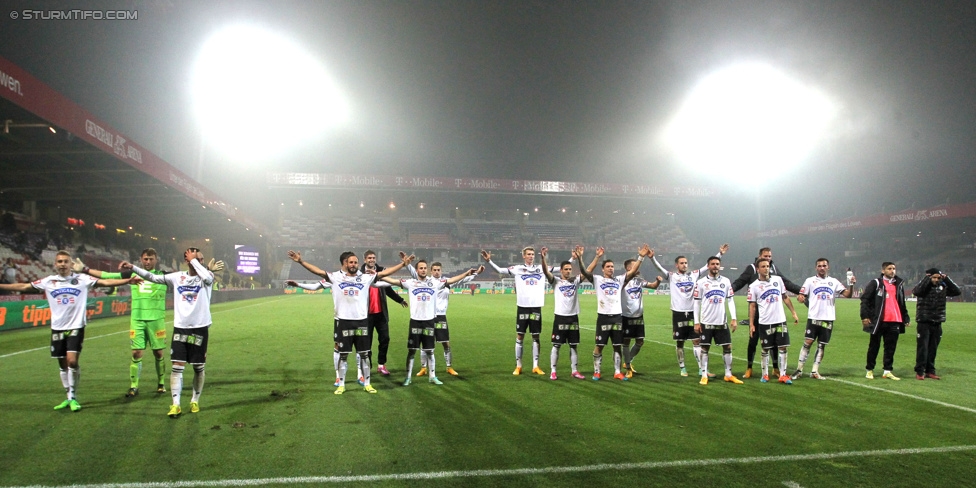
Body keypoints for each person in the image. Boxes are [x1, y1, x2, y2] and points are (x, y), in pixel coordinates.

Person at [0, 251, 138, 412]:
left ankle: (73, 397)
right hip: (57, 327)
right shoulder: (49, 281)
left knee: (72, 361)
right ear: (55, 264)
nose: (62, 264)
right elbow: (23, 286)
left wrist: (128, 280)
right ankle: (68, 397)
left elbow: (105, 282)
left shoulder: (81, 279)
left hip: (76, 326)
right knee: (62, 363)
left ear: (71, 264)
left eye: (66, 261)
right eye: (59, 261)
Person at [287, 249, 408, 394]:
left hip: (362, 321)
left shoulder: (365, 277)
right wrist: (301, 261)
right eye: (351, 262)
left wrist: (402, 265)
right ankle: (341, 384)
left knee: (364, 354)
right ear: (345, 263)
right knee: (343, 354)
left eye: (356, 262)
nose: (353, 264)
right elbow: (318, 272)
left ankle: (367, 383)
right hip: (343, 321)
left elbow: (384, 274)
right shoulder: (335, 277)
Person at [124, 248, 214, 417]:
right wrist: (133, 267)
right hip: (181, 328)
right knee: (177, 367)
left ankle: (195, 400)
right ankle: (176, 404)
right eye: (196, 259)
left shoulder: (207, 278)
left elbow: (208, 277)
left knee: (198, 367)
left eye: (201, 259)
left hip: (200, 328)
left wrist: (193, 260)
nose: (200, 262)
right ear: (187, 260)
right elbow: (152, 277)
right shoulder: (177, 277)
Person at [376, 259, 477, 385]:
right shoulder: (410, 283)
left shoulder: (435, 283)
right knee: (412, 351)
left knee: (430, 350)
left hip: (429, 321)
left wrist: (466, 273)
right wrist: (377, 275)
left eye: (425, 268)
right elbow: (392, 281)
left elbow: (452, 280)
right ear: (416, 270)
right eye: (421, 268)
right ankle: (408, 377)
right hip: (415, 321)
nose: (423, 270)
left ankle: (432, 376)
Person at [652, 244, 729, 377]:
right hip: (678, 313)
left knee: (696, 340)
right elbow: (659, 268)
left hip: (693, 312)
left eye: (686, 263)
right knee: (680, 341)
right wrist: (652, 258)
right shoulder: (671, 276)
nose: (684, 265)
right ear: (677, 265)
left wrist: (720, 254)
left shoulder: (693, 275)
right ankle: (682, 368)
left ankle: (701, 369)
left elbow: (707, 266)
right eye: (682, 263)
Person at [579, 244, 651, 381]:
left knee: (617, 346)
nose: (611, 268)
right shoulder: (598, 280)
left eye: (612, 266)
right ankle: (597, 371)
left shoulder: (619, 280)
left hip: (617, 317)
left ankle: (617, 372)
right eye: (608, 266)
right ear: (603, 269)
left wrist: (641, 257)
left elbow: (633, 270)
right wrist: (595, 257)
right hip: (603, 317)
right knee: (599, 346)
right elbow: (585, 271)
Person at [732, 247, 801, 378]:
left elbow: (786, 285)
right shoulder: (751, 269)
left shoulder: (774, 271)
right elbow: (740, 282)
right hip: (760, 314)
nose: (768, 260)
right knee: (753, 341)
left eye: (769, 257)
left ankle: (775, 368)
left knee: (775, 342)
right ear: (759, 257)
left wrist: (801, 291)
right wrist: (730, 290)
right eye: (765, 256)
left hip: (774, 315)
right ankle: (749, 368)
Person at [408, 259, 483, 377]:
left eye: (438, 270)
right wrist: (407, 263)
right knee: (426, 344)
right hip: (428, 316)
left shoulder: (446, 282)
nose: (437, 272)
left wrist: (476, 273)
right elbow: (414, 274)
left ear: (441, 271)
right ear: (431, 271)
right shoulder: (428, 282)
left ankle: (449, 367)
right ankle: (423, 368)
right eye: (434, 270)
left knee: (446, 343)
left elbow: (463, 279)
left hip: (441, 317)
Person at [482, 247, 551, 375]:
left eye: (532, 254)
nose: (531, 256)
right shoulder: (517, 269)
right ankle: (518, 366)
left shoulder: (541, 268)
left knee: (536, 336)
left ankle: (536, 366)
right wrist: (489, 261)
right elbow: (500, 270)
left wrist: (572, 259)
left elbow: (560, 269)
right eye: (529, 254)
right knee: (520, 336)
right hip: (522, 306)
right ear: (523, 256)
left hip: (536, 306)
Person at [791, 258, 854, 380]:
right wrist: (800, 298)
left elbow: (848, 295)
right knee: (807, 343)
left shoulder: (834, 282)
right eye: (819, 266)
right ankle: (799, 370)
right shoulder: (810, 281)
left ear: (828, 267)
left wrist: (851, 285)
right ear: (816, 268)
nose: (822, 268)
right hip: (813, 317)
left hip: (828, 319)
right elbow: (801, 295)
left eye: (824, 265)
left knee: (821, 345)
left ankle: (815, 371)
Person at [747, 258, 799, 384]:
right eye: (763, 266)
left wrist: (793, 312)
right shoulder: (754, 286)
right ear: (758, 269)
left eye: (767, 266)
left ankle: (782, 374)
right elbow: (752, 306)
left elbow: (785, 297)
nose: (766, 268)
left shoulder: (778, 280)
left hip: (780, 320)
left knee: (783, 347)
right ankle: (764, 375)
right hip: (765, 322)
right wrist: (751, 324)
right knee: (765, 348)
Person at [693, 256, 743, 385]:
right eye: (712, 264)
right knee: (704, 348)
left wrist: (734, 318)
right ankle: (704, 375)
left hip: (722, 322)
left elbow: (730, 300)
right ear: (708, 266)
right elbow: (696, 303)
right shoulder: (701, 282)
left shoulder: (726, 281)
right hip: (706, 322)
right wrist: (696, 322)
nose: (715, 266)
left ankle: (728, 374)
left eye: (717, 264)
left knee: (727, 347)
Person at [540, 246, 586, 380]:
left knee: (574, 345)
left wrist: (581, 258)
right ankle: (553, 371)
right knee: (556, 345)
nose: (568, 271)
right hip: (560, 317)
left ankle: (574, 370)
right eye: (566, 269)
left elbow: (587, 272)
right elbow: (545, 271)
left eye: (570, 269)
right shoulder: (556, 281)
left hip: (573, 317)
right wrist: (543, 258)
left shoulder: (575, 281)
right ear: (561, 271)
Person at [361, 250, 408, 378]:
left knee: (385, 339)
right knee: (366, 342)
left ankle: (381, 365)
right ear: (365, 260)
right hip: (366, 315)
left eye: (373, 257)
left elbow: (388, 289)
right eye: (369, 258)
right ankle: (367, 366)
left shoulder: (381, 271)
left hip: (381, 313)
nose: (372, 260)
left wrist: (400, 300)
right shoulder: (359, 273)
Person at [860, 262, 910, 381]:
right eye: (889, 269)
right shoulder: (876, 283)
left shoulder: (899, 285)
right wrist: (864, 316)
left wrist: (905, 317)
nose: (892, 271)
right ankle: (869, 369)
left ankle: (887, 370)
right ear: (883, 271)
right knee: (874, 346)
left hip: (895, 320)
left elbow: (902, 303)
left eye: (894, 269)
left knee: (890, 347)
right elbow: (865, 300)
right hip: (879, 320)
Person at [913, 268, 961, 380]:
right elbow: (917, 292)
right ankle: (920, 371)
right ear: (929, 277)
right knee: (923, 348)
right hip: (924, 321)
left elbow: (957, 291)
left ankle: (930, 371)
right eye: (933, 277)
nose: (936, 280)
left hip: (938, 321)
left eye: (938, 278)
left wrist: (947, 279)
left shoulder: (943, 287)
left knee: (933, 348)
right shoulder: (924, 287)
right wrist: (926, 279)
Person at [620, 254, 662, 378]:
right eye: (634, 266)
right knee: (626, 341)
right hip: (626, 316)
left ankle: (628, 361)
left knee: (640, 341)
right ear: (629, 268)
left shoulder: (639, 280)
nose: (638, 268)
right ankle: (628, 367)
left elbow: (653, 286)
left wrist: (658, 281)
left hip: (639, 316)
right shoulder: (622, 280)